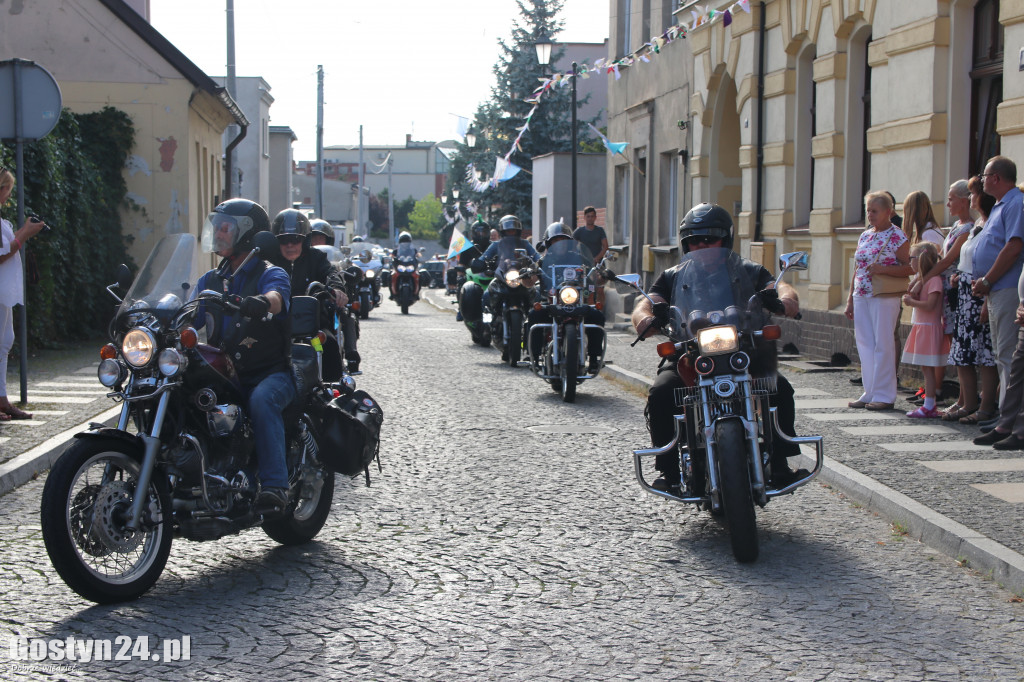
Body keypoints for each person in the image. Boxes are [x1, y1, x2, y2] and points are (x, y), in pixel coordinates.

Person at [630, 203, 804, 493]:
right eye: (695, 240)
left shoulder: (749, 270)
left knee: (779, 387)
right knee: (661, 392)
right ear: (686, 243)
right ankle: (669, 470)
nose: (703, 245)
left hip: (743, 352)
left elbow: (780, 288)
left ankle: (781, 464)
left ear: (726, 239)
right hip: (691, 354)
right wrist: (644, 317)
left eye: (711, 239)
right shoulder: (673, 275)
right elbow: (647, 302)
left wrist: (784, 300)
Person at [195, 199, 292, 510]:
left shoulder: (269, 272)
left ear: (247, 234)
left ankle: (275, 485)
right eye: (217, 226)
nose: (219, 233)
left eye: (227, 228)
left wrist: (264, 302)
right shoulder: (211, 280)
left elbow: (278, 295)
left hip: (269, 372)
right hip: (225, 374)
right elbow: (187, 310)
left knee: (262, 400)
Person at [267, 209, 354, 379]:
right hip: (275, 327)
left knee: (326, 344)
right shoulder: (269, 261)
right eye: (284, 240)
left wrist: (336, 289)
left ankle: (332, 388)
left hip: (312, 328)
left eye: (295, 239)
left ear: (305, 240)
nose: (290, 245)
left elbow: (330, 273)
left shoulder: (316, 258)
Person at [846, 191, 912, 410]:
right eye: (868, 211)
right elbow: (858, 267)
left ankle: (885, 394)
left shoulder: (897, 236)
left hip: (884, 295)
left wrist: (883, 269)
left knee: (883, 343)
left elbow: (910, 267)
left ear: (888, 212)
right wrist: (850, 299)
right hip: (862, 293)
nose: (870, 215)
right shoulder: (865, 235)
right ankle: (870, 390)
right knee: (864, 343)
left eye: (874, 211)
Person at [971, 156, 1024, 416]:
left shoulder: (1016, 203)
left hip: (1007, 288)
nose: (981, 180)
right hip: (995, 290)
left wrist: (989, 279)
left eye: (984, 175)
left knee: (1008, 354)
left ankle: (1010, 417)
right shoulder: (1000, 205)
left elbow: (1013, 246)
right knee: (1001, 353)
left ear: (996, 178)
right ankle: (1007, 415)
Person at [526, 222, 606, 373]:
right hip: (552, 302)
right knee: (534, 315)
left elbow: (595, 276)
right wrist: (528, 274)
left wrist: (602, 276)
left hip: (577, 302)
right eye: (555, 241)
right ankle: (534, 357)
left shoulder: (581, 259)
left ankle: (594, 359)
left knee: (597, 316)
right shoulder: (543, 261)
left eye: (562, 240)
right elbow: (530, 281)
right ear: (549, 243)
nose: (559, 244)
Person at [0, 167, 47, 420]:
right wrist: (25, 236)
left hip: (3, 291)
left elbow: (5, 245)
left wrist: (24, 231)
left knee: (5, 341)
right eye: (8, 189)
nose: (8, 195)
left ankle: (2, 400)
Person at [902, 191, 948, 405]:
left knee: (931, 357)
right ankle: (928, 389)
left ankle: (935, 390)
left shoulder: (930, 234)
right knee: (925, 360)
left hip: (929, 311)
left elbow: (932, 263)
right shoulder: (927, 231)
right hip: (923, 304)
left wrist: (920, 281)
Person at [901, 242, 950, 418]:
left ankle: (930, 404)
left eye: (911, 258)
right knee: (926, 369)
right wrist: (916, 280)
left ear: (920, 259)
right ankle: (929, 402)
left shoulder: (934, 281)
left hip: (929, 329)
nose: (909, 262)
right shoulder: (925, 280)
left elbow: (930, 305)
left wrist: (912, 302)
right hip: (923, 328)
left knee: (928, 370)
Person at [573, 206, 609, 307]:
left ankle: (600, 310)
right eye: (588, 216)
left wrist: (598, 258)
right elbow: (571, 245)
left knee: (600, 288)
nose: (590, 218)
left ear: (595, 217)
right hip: (584, 265)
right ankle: (584, 307)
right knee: (585, 288)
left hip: (598, 264)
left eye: (592, 216)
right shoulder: (579, 231)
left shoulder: (600, 231)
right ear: (584, 217)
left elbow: (605, 246)